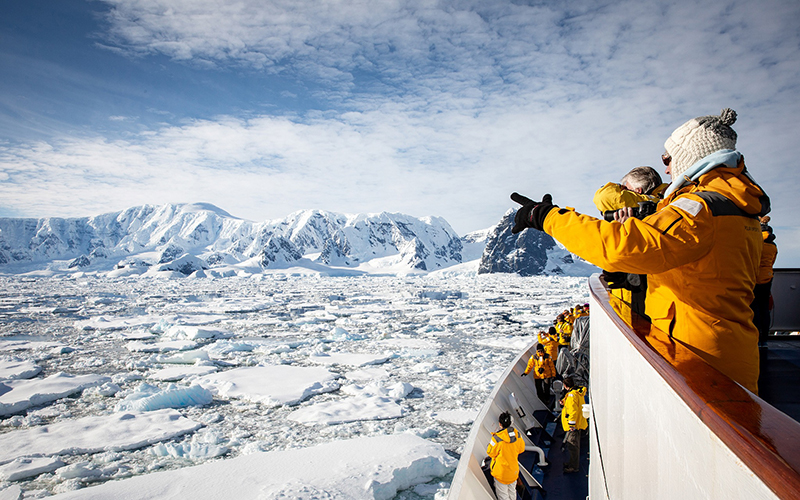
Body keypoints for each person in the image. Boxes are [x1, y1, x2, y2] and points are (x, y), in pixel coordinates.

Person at [511, 108, 770, 394]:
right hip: (724, 352)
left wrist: (547, 216)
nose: (668, 169)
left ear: (692, 156)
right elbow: (704, 272)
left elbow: (618, 246)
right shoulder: (737, 206)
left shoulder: (700, 209)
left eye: (668, 159)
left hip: (702, 360)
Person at [593, 166, 665, 221]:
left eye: (627, 190)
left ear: (638, 191)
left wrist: (619, 187)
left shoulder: (654, 205)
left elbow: (603, 196)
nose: (625, 192)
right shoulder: (668, 197)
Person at [486, 411, 526, 500]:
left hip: (501, 474)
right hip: (513, 472)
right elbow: (521, 449)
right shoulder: (518, 435)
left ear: (500, 424)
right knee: (512, 493)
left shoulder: (496, 439)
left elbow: (490, 453)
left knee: (503, 496)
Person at [752, 216, 778, 348]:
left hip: (754, 278)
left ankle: (756, 338)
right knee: (764, 309)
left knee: (754, 308)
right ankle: (765, 339)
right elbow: (772, 262)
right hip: (768, 277)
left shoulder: (756, 242)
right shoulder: (773, 246)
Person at [560, 375, 588, 473]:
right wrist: (564, 402)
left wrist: (571, 425)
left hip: (574, 426)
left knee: (572, 446)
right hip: (579, 423)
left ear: (565, 386)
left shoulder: (571, 396)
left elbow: (573, 411)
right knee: (574, 445)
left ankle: (573, 467)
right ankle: (572, 463)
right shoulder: (576, 392)